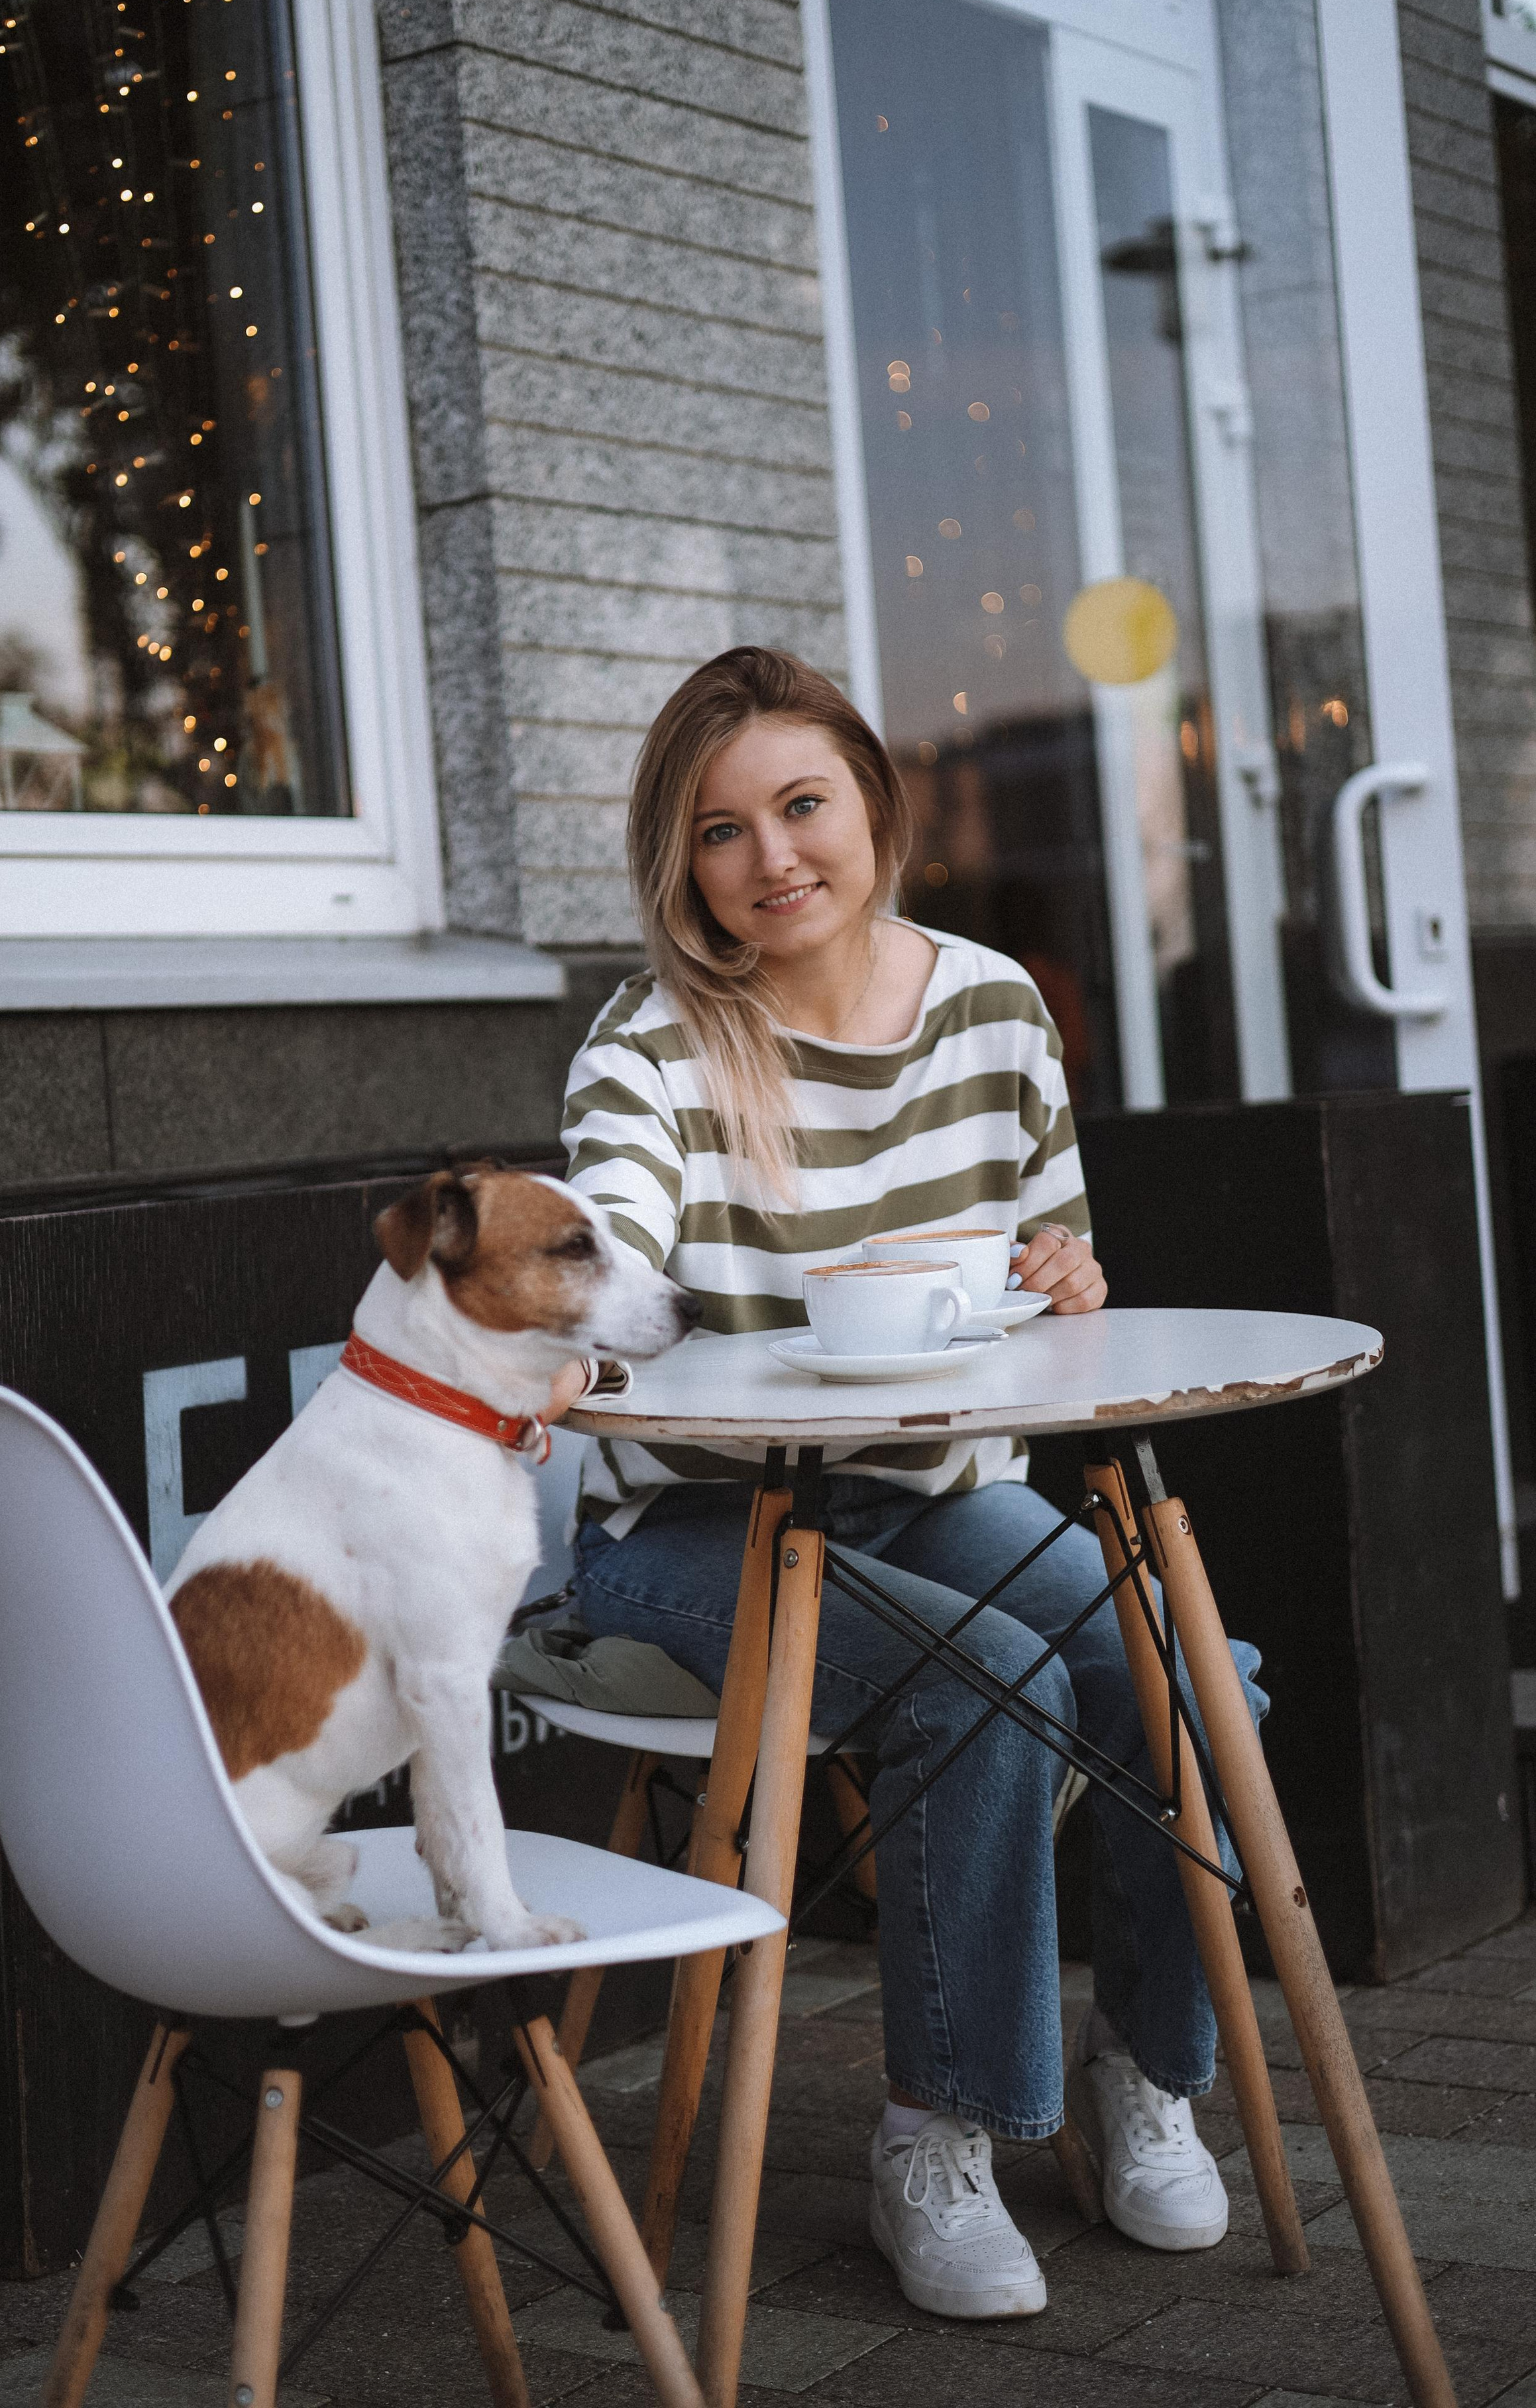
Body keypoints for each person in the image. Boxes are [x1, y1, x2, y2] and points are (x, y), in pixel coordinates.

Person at [553, 646, 1266, 2321]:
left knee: (1196, 1684)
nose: (771, 857)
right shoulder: (652, 1041)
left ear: (872, 804)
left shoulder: (992, 1006)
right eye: (721, 832)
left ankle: (1139, 2079)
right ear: (683, 861)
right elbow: (612, 1237)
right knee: (989, 1683)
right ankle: (934, 2134)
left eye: (801, 805)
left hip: (935, 1490)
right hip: (688, 1524)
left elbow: (1053, 1252)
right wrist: (581, 1334)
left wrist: (1063, 1277)